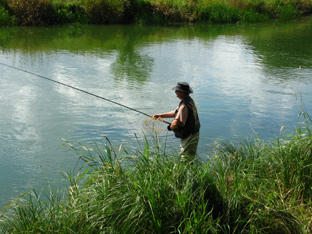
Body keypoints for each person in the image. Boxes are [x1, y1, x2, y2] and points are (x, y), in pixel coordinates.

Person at [154, 82, 200, 162]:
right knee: (189, 158)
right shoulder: (188, 100)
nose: (175, 93)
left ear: (182, 93)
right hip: (193, 133)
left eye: (176, 91)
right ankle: (188, 172)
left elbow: (176, 121)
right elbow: (176, 113)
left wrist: (171, 127)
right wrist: (160, 116)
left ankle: (182, 173)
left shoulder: (184, 105)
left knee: (185, 160)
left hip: (189, 136)